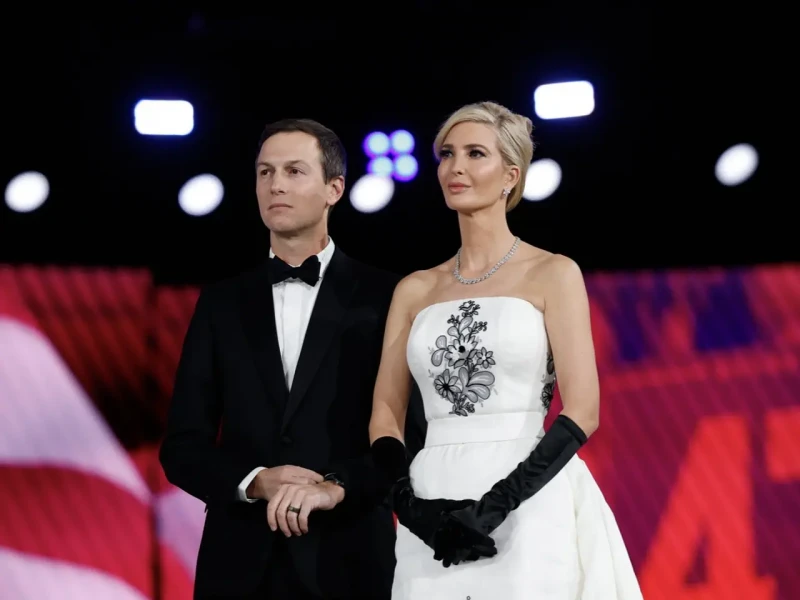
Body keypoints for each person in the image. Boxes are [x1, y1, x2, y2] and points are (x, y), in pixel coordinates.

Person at [367, 101, 644, 599]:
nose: (456, 167)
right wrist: (413, 510)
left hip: (528, 494)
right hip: (432, 501)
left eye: (475, 154)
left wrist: (497, 505)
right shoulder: (415, 289)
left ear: (510, 176)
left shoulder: (552, 273)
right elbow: (386, 414)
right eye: (447, 154)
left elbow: (583, 411)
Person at [160, 118, 426, 600]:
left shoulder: (387, 297)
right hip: (238, 566)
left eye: (294, 171)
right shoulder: (221, 303)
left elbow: (412, 436)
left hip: (349, 560)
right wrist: (256, 481)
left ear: (334, 189)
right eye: (265, 172)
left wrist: (336, 487)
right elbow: (182, 447)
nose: (276, 185)